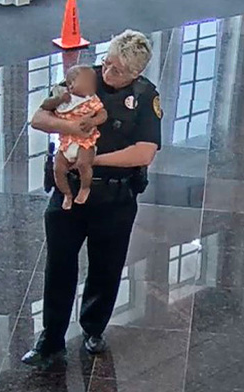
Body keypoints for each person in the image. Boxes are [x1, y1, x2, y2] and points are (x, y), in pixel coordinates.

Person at [22, 29, 162, 368]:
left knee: (106, 267)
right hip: (68, 192)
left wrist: (93, 159)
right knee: (60, 266)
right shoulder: (82, 79)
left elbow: (144, 152)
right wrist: (71, 132)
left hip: (115, 197)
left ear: (136, 74)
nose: (108, 73)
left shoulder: (145, 97)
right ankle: (51, 338)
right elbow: (39, 117)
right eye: (108, 63)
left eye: (118, 71)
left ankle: (93, 328)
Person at [40, 65, 108, 210]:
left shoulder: (91, 100)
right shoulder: (63, 96)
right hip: (66, 143)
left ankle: (85, 188)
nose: (92, 85)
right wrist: (58, 99)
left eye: (93, 82)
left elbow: (103, 114)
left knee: (84, 163)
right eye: (87, 81)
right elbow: (45, 106)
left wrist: (93, 121)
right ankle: (67, 194)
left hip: (85, 142)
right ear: (71, 84)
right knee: (58, 168)